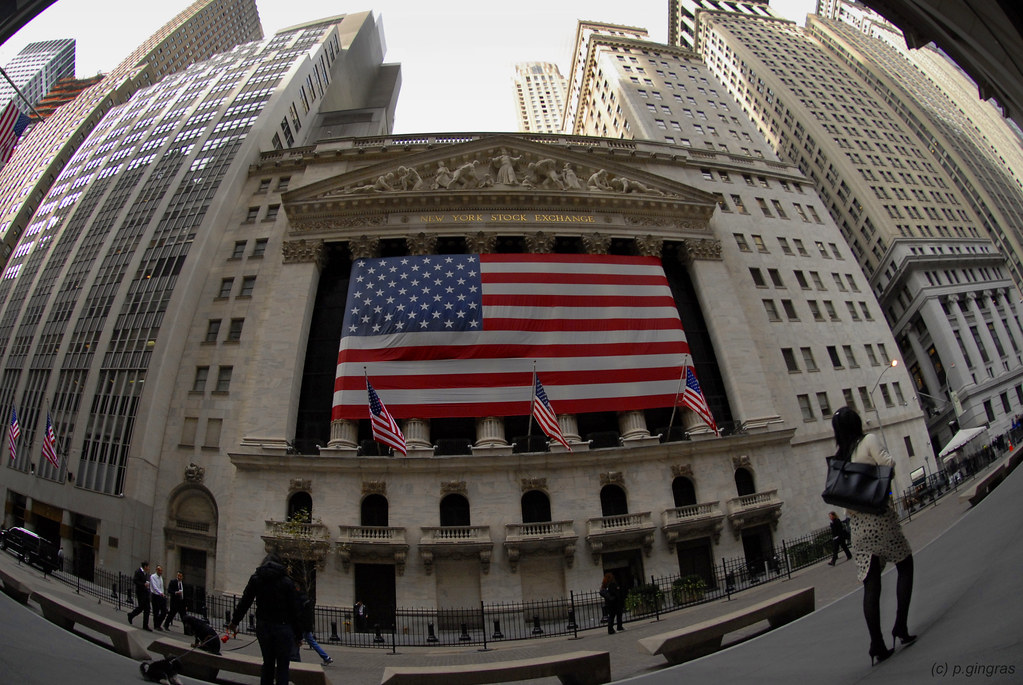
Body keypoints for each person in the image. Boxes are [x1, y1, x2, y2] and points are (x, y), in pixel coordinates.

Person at [832, 407, 916, 665]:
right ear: (857, 424)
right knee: (905, 564)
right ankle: (900, 626)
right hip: (878, 518)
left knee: (871, 585)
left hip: (856, 526)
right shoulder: (868, 440)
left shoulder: (840, 456)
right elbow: (888, 463)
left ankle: (876, 643)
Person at [227, 554, 302, 685]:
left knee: (267, 663)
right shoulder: (287, 582)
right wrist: (298, 635)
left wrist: (234, 622)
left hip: (264, 627)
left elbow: (245, 602)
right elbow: (294, 610)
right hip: (283, 628)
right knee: (283, 667)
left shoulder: (256, 579)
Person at [293, 582, 332, 666]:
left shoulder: (298, 599)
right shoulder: (305, 599)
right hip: (306, 624)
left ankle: (296, 661)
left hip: (302, 625)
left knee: (296, 642)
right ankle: (326, 657)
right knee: (311, 642)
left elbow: (299, 614)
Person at [127, 561, 152, 630]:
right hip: (140, 592)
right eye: (148, 566)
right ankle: (131, 615)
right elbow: (135, 581)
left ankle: (145, 625)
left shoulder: (145, 573)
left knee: (147, 609)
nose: (149, 568)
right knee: (141, 607)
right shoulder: (138, 572)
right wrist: (143, 584)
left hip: (146, 592)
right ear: (145, 567)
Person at [150, 565, 167, 631]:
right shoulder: (153, 577)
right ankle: (156, 625)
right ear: (156, 570)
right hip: (155, 595)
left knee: (164, 611)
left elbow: (161, 587)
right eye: (159, 570)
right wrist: (160, 593)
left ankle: (158, 623)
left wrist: (162, 593)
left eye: (161, 570)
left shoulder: (161, 577)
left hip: (161, 596)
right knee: (156, 611)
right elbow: (155, 587)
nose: (160, 572)